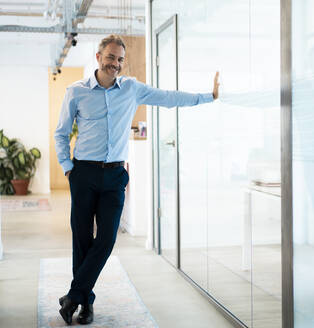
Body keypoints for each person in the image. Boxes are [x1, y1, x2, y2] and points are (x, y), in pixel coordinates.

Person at [54, 34, 220, 325]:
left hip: (116, 175)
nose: (115, 64)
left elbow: (169, 97)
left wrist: (209, 97)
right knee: (82, 240)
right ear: (98, 57)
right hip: (83, 174)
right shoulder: (76, 91)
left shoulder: (131, 89)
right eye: (110, 58)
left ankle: (73, 295)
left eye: (119, 59)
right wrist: (68, 167)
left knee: (105, 240)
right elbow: (61, 132)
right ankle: (85, 304)